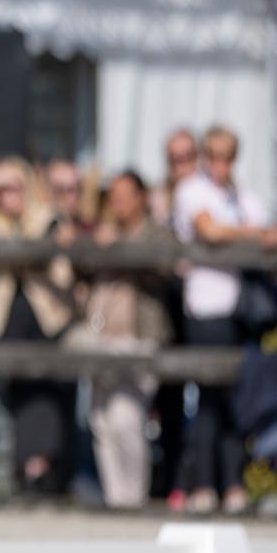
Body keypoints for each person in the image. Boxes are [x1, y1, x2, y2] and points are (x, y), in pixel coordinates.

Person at [170, 125, 277, 515]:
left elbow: (274, 233)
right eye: (214, 155)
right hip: (207, 307)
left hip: (242, 312)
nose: (221, 163)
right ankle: (204, 483)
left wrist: (253, 234)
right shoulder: (193, 192)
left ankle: (233, 483)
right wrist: (254, 235)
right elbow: (210, 231)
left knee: (238, 398)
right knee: (208, 397)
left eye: (227, 155)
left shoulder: (241, 196)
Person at [0, 155, 77, 493]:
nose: (11, 195)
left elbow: (43, 240)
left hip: (45, 315)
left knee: (42, 384)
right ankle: (29, 464)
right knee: (18, 384)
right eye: (4, 190)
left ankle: (36, 465)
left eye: (16, 187)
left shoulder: (44, 216)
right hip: (2, 318)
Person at [64, 171, 177, 510]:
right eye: (113, 196)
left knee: (126, 417)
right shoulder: (102, 232)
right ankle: (116, 500)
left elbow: (162, 266)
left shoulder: (156, 233)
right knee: (101, 420)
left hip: (139, 338)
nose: (119, 202)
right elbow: (78, 263)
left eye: (125, 195)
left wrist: (116, 246)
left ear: (142, 197)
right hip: (101, 337)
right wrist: (92, 240)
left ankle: (133, 499)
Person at [152, 127, 199, 228]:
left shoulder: (213, 192)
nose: (180, 167)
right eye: (174, 159)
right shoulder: (159, 196)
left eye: (186, 157)